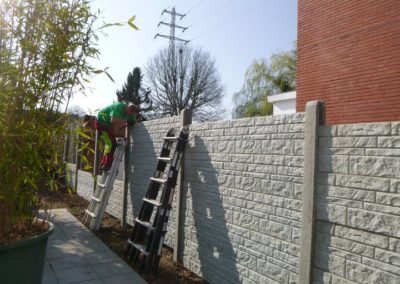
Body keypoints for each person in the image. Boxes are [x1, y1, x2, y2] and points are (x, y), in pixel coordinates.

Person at [95, 102, 139, 171]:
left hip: (107, 125)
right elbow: (113, 120)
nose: (130, 115)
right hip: (101, 123)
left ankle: (103, 163)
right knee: (112, 144)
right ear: (128, 108)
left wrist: (133, 122)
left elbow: (133, 121)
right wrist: (126, 121)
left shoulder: (130, 113)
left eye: (132, 114)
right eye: (130, 113)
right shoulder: (118, 107)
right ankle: (106, 165)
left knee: (109, 143)